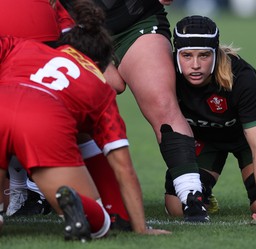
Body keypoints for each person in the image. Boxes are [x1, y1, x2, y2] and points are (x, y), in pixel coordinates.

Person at [0, 0, 170, 240]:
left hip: (2, 102)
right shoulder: (99, 88)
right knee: (99, 223)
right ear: (100, 64)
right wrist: (141, 227)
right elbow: (124, 168)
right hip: (43, 123)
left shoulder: (27, 47)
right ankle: (84, 208)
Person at [59, 0, 209, 222]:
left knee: (161, 101)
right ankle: (29, 187)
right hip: (74, 28)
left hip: (134, 20)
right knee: (68, 108)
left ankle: (191, 195)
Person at [164, 15, 256, 220]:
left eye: (204, 55)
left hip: (249, 136)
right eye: (187, 55)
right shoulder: (166, 74)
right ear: (176, 54)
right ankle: (204, 194)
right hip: (205, 138)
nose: (195, 64)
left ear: (215, 54)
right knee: (177, 207)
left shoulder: (242, 79)